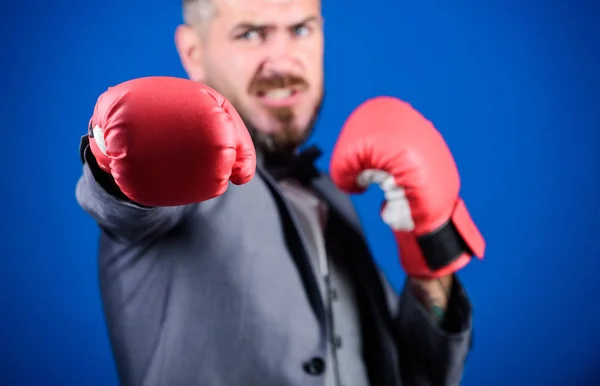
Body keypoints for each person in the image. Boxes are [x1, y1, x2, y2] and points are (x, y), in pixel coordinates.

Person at [75, 0, 486, 385]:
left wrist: (430, 255)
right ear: (193, 53)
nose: (283, 60)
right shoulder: (177, 186)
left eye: (301, 29)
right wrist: (115, 153)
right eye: (251, 34)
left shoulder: (329, 199)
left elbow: (420, 377)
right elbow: (120, 203)